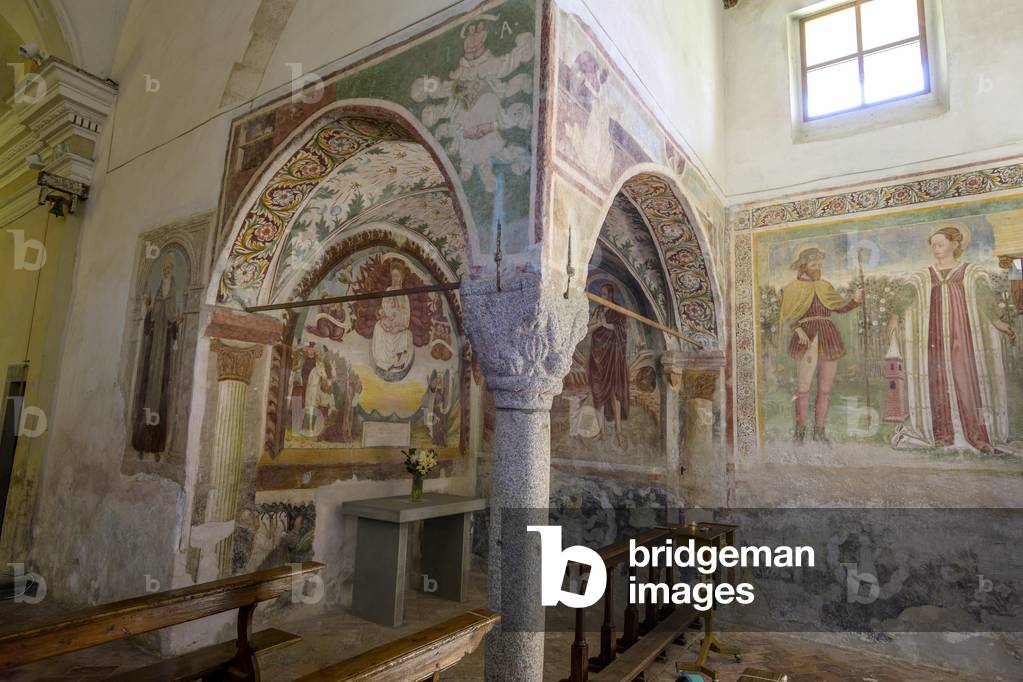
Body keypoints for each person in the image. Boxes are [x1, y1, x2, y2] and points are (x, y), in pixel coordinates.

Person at [889, 224, 1014, 453]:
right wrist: (895, 317)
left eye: (940, 244)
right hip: (933, 335)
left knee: (966, 378)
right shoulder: (924, 275)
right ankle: (943, 434)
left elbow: (985, 297)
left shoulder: (971, 272)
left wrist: (996, 321)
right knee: (937, 380)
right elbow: (906, 294)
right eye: (933, 245)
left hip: (963, 334)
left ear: (955, 244)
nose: (936, 249)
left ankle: (973, 433)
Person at [777, 247, 862, 444]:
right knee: (803, 388)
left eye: (819, 264)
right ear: (804, 266)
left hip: (828, 336)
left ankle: (819, 432)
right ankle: (800, 432)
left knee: (824, 390)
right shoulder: (792, 288)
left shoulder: (825, 286)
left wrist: (855, 301)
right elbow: (787, 315)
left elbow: (839, 307)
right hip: (806, 337)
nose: (818, 267)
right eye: (814, 264)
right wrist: (798, 330)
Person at [132, 256, 180, 455]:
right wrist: (149, 307)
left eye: (169, 267)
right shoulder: (159, 291)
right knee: (146, 393)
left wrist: (176, 323)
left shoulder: (173, 293)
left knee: (161, 395)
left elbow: (173, 319)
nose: (166, 269)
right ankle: (141, 443)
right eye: (165, 267)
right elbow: (148, 323)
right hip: (152, 354)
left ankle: (158, 445)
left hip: (164, 355)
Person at [587, 283, 629, 446]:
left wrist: (605, 325)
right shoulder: (597, 311)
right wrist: (598, 324)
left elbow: (622, 331)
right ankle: (602, 432)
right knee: (598, 395)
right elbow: (587, 330)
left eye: (604, 294)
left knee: (613, 394)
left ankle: (618, 432)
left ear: (611, 295)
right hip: (597, 357)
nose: (602, 297)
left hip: (612, 356)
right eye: (601, 294)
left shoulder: (618, 310)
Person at [371, 266, 414, 375]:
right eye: (393, 276)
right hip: (388, 322)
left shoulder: (404, 295)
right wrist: (386, 316)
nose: (395, 278)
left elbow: (406, 315)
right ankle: (383, 362)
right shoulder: (388, 291)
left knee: (406, 334)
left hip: (399, 325)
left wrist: (398, 324)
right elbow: (383, 307)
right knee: (377, 327)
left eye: (397, 276)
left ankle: (398, 363)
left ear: (401, 278)